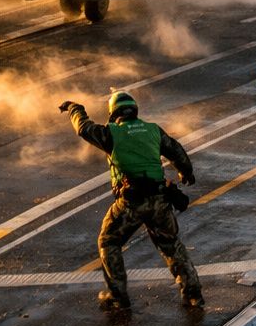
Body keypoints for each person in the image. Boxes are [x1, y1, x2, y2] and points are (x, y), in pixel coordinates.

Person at [59, 92, 202, 311]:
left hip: (131, 201)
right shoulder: (153, 129)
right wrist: (186, 173)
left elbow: (83, 128)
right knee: (171, 245)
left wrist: (74, 108)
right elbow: (176, 150)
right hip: (159, 199)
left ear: (113, 112)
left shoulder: (111, 133)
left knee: (109, 241)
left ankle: (118, 296)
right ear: (134, 110)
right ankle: (193, 294)